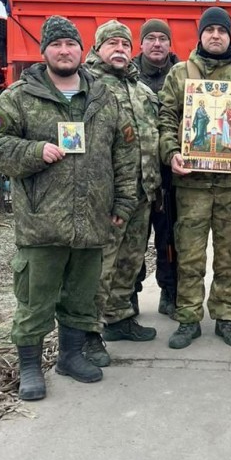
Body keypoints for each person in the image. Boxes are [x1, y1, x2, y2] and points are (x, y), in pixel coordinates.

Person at [0, 15, 138, 401]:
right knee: (35, 299)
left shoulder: (103, 96)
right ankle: (30, 367)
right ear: (44, 51)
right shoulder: (20, 96)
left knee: (81, 297)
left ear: (82, 50)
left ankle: (71, 356)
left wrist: (123, 200)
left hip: (93, 217)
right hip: (42, 220)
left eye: (70, 44)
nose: (64, 51)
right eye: (56, 45)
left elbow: (125, 151)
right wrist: (34, 152)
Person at [158, 6, 231, 349]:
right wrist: (170, 153)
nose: (216, 35)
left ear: (230, 35)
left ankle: (226, 316)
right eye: (210, 30)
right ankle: (188, 318)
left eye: (222, 30)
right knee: (190, 254)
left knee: (230, 253)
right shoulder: (180, 73)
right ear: (201, 35)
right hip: (191, 183)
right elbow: (166, 118)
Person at [83, 20, 160, 366]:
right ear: (98, 48)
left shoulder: (141, 90)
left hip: (142, 192)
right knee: (100, 266)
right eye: (112, 43)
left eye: (125, 45)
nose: (120, 49)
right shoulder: (88, 86)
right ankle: (89, 333)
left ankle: (119, 318)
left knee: (131, 260)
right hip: (107, 196)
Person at [132, 18, 180, 316]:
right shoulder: (126, 75)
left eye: (163, 38)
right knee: (134, 239)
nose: (157, 44)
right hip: (134, 173)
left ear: (170, 44)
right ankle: (129, 294)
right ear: (141, 44)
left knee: (169, 236)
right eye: (151, 38)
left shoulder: (182, 75)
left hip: (170, 173)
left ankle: (169, 291)